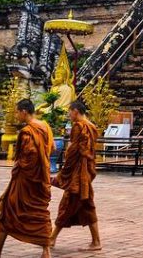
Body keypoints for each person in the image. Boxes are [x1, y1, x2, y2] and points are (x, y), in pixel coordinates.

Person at [0, 98, 54, 258]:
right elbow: (52, 148)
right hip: (42, 179)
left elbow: (30, 156)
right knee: (40, 213)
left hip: (25, 181)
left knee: (8, 211)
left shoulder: (27, 131)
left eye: (17, 112)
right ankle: (46, 252)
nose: (16, 115)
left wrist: (19, 165)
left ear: (24, 111)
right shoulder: (46, 127)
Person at [50, 99, 102, 251]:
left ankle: (52, 239)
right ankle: (96, 241)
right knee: (87, 206)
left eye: (69, 112)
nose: (68, 115)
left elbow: (73, 152)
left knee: (67, 204)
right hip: (86, 172)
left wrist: (62, 174)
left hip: (78, 174)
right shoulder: (92, 127)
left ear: (76, 111)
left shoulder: (79, 126)